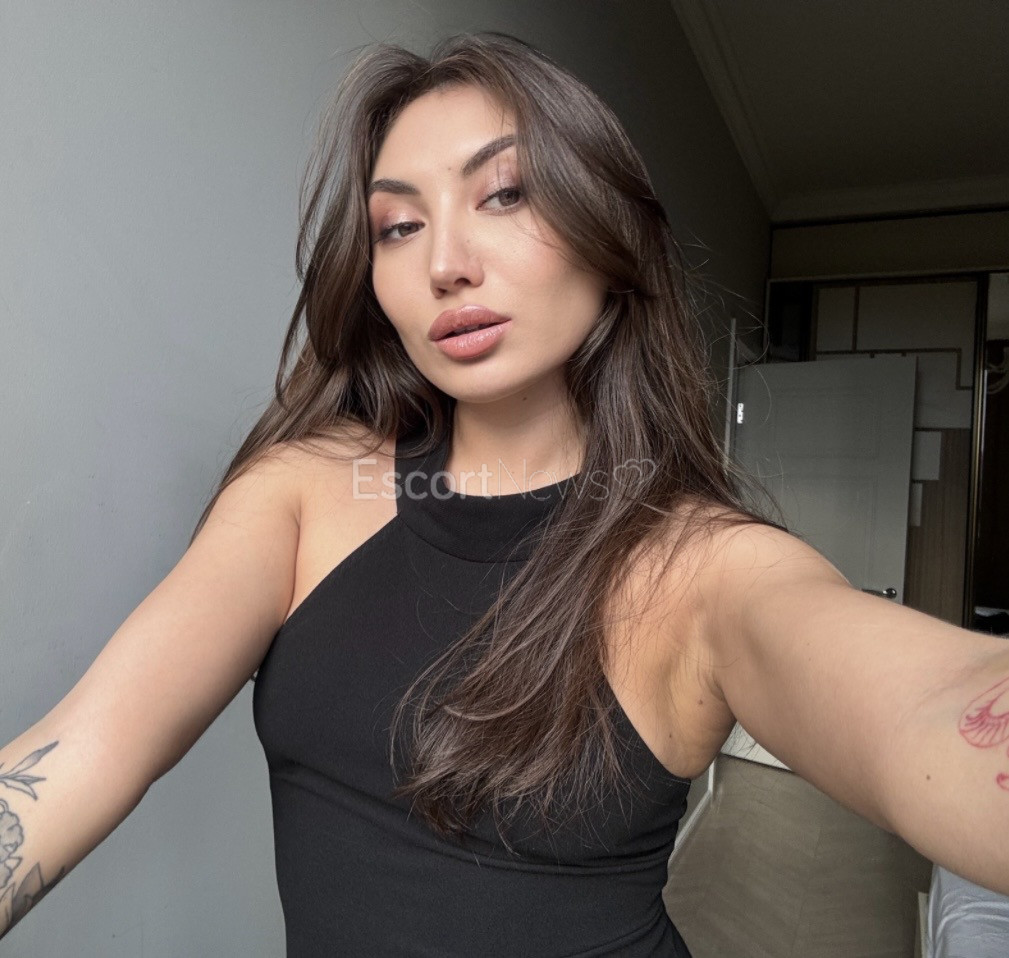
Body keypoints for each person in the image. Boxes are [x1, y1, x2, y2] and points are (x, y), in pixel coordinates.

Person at [1, 30, 1007, 957]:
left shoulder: (697, 567)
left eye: (505, 194)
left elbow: (935, 706)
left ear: (607, 229)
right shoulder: (303, 492)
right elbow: (85, 751)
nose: (444, 264)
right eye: (399, 226)